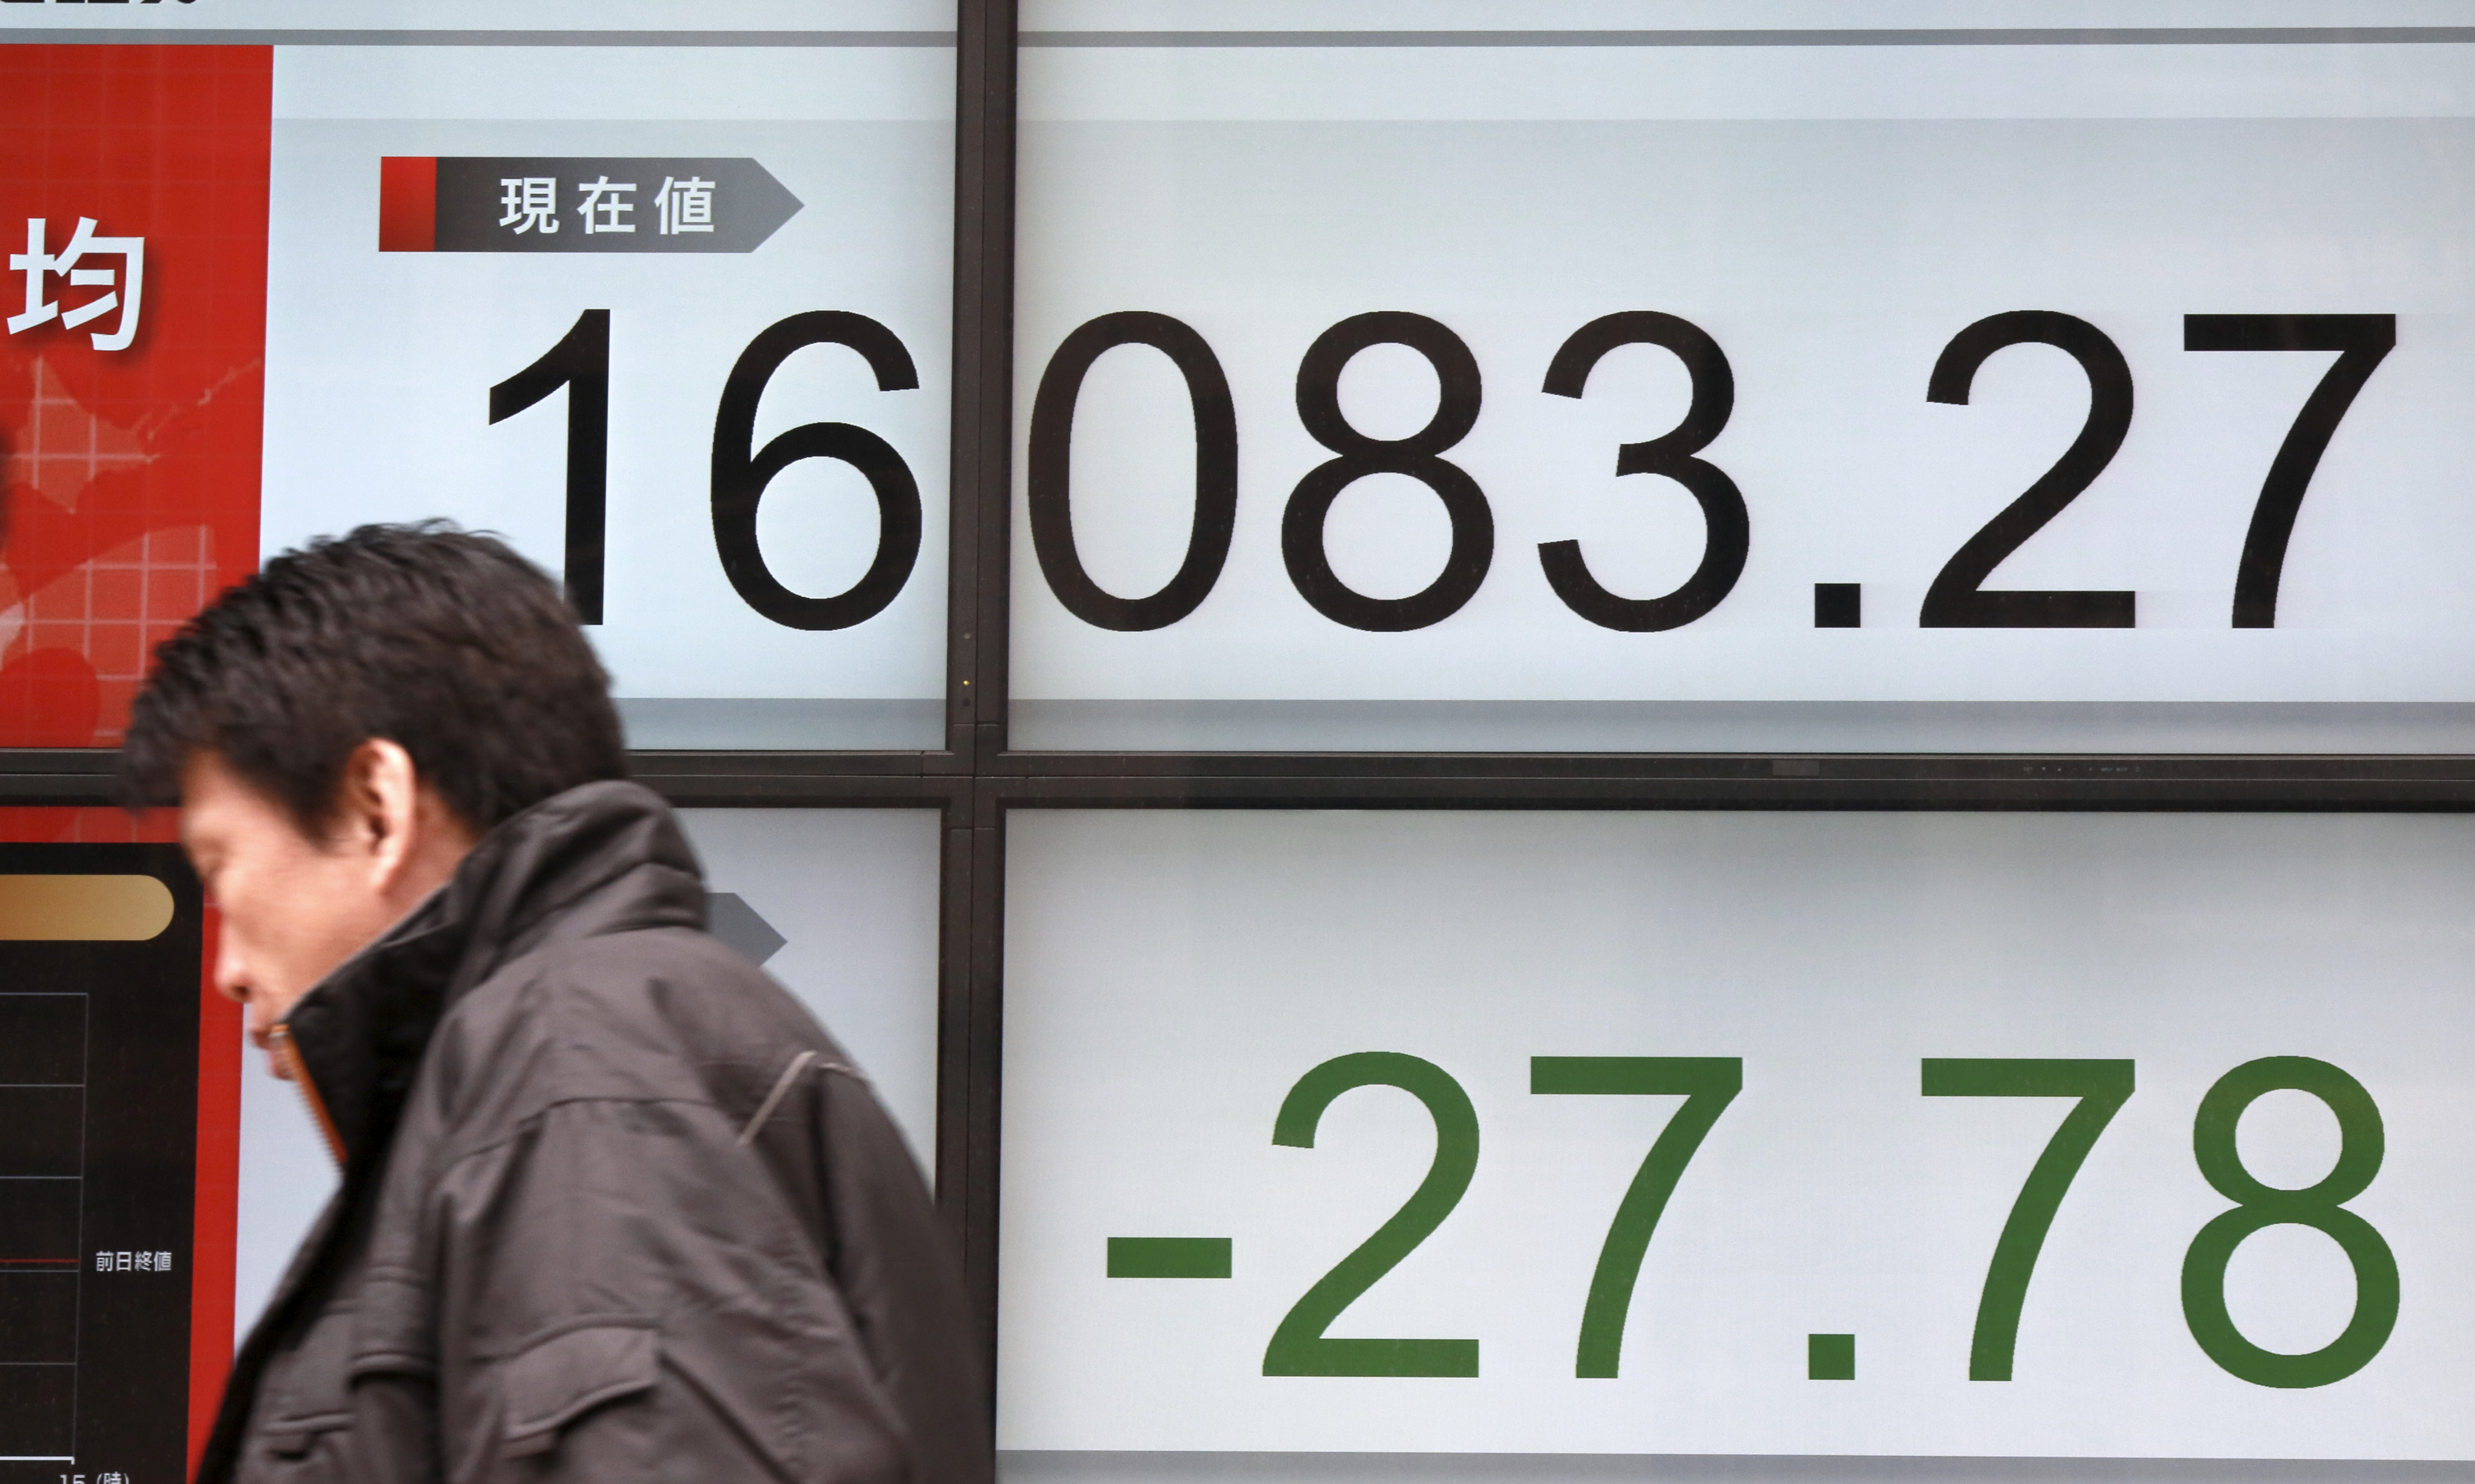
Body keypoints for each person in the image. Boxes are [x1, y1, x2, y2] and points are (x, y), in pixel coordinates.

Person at [122, 522, 988, 1484]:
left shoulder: (583, 1069)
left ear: (377, 807)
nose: (226, 968)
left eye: (220, 868)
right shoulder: (589, 1060)